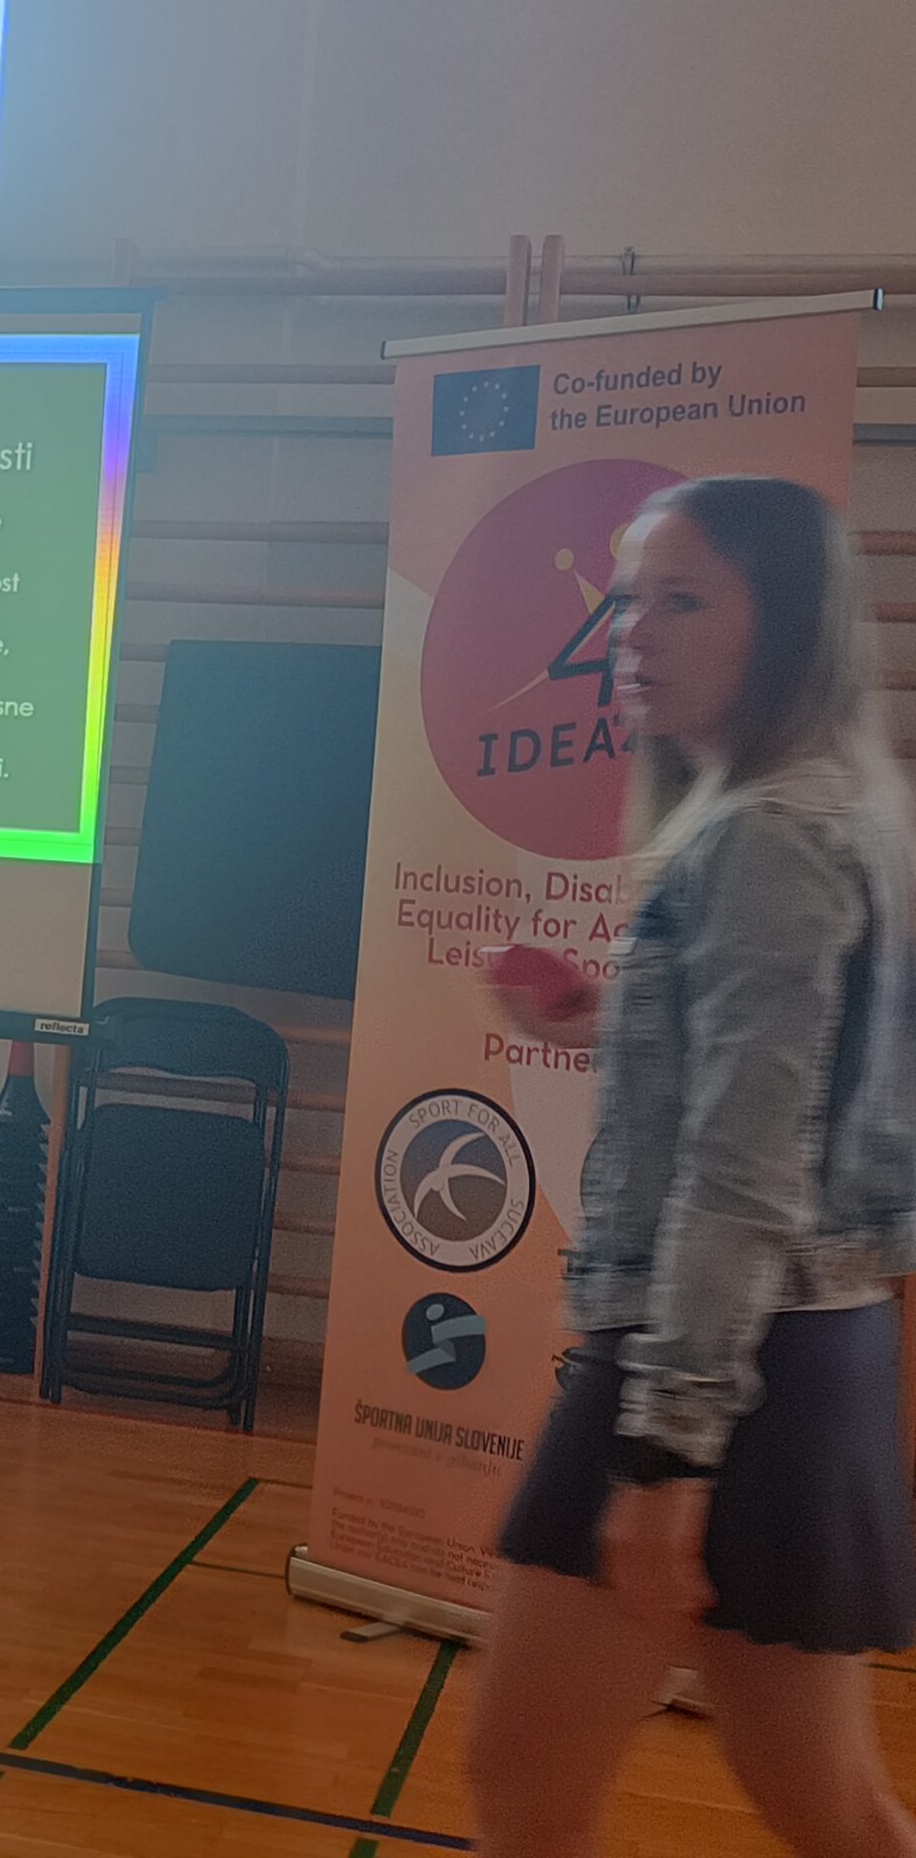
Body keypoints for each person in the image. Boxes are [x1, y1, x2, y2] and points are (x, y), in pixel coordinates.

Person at [471, 476, 916, 1856]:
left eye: (682, 599)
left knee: (521, 1790)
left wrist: (669, 1450)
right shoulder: (843, 805)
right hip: (809, 1349)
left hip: (717, 1362)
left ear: (786, 625)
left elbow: (745, 1172)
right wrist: (612, 1015)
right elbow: (805, 1073)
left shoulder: (767, 837)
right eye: (627, 599)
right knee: (829, 1808)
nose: (632, 632)